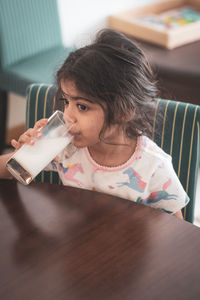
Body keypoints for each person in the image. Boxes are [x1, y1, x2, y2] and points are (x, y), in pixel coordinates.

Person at [0, 29, 189, 219]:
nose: (68, 116)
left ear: (123, 112)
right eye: (66, 101)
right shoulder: (64, 147)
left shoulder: (154, 166)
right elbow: (7, 170)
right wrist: (22, 155)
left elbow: (178, 232)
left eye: (82, 107)